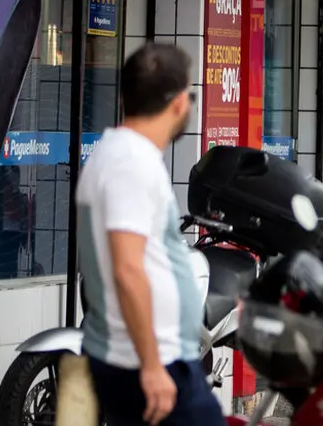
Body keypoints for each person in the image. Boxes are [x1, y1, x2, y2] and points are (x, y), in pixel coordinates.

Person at [76, 43, 222, 426]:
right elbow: (127, 268)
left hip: (140, 357)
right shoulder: (131, 162)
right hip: (149, 362)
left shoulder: (121, 154)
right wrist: (153, 365)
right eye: (190, 95)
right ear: (177, 103)